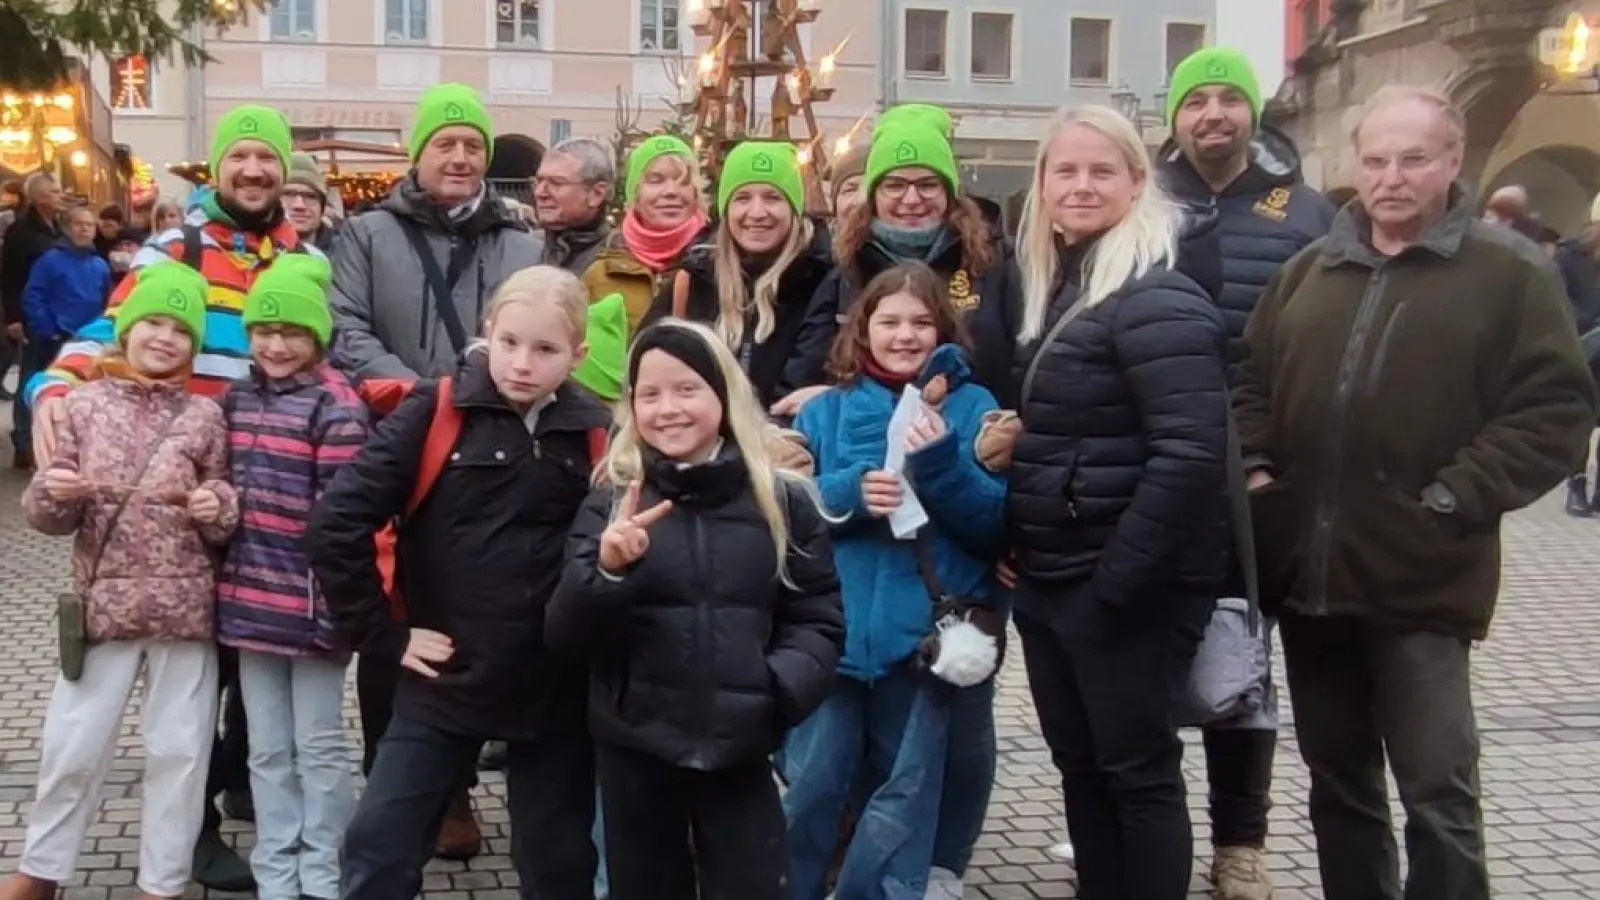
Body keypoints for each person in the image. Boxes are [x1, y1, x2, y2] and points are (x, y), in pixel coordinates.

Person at [1235, 85, 1596, 900]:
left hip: (1423, 577)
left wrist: (1454, 499)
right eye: (1375, 160)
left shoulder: (1507, 273)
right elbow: (1248, 382)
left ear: (1452, 162)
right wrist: (1261, 475)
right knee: (1340, 787)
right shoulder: (1307, 273)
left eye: (1413, 159)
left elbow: (1554, 410)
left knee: (1438, 795)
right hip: (1312, 581)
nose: (1391, 177)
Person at [27, 103, 322, 894]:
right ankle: (191, 840)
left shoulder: (303, 251)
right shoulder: (179, 244)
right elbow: (117, 326)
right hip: (181, 482)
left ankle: (227, 797)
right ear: (218, 168)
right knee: (188, 689)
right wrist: (53, 385)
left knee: (230, 670)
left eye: (268, 158)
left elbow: (329, 347)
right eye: (242, 157)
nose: (255, 171)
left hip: (262, 483)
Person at [311, 265, 608, 900]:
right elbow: (337, 523)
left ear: (577, 355)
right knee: (380, 846)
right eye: (510, 343)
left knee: (558, 863)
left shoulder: (594, 430)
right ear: (488, 331)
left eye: (546, 350)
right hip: (444, 676)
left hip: (551, 684)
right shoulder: (437, 408)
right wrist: (384, 636)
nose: (523, 364)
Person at [996, 103, 1230, 900]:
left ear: (1138, 182)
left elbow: (1191, 454)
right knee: (1083, 767)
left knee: (1136, 775)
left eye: (1102, 171)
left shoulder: (1155, 292)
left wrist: (1116, 582)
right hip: (1060, 576)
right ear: (1043, 185)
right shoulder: (1066, 285)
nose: (1082, 185)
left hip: (1123, 586)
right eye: (1066, 170)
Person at [547, 319, 844, 900]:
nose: (668, 409)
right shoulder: (613, 498)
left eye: (686, 389)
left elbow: (818, 617)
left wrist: (774, 688)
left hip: (741, 743)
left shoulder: (781, 499)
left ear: (723, 394)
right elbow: (565, 636)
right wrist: (608, 570)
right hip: (637, 747)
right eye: (649, 394)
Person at [328, 82, 542, 855]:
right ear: (416, 154)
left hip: (491, 453)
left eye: (473, 145)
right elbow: (345, 325)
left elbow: (540, 331)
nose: (460, 156)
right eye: (445, 143)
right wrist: (426, 399)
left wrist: (478, 406)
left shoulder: (522, 242)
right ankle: (396, 782)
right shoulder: (366, 233)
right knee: (399, 612)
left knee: (476, 609)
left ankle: (456, 788)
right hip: (397, 441)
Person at [1157, 46, 1337, 899]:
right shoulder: (1144, 201)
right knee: (1139, 654)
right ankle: (1140, 825)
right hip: (1153, 459)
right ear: (1176, 116)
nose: (1214, 115)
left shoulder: (1305, 212)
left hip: (1253, 470)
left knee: (1240, 662)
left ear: (1254, 114)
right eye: (1198, 101)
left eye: (1231, 99)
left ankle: (1242, 842)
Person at [0, 261, 239, 900]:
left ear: (194, 345)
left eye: (179, 329)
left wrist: (218, 506)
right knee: (71, 747)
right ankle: (42, 868)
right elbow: (47, 518)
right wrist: (53, 491)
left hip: (186, 612)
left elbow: (224, 497)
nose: (163, 337)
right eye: (152, 322)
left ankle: (161, 881)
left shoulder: (205, 417)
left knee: (180, 755)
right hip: (103, 608)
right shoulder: (80, 406)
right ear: (125, 330)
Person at [782, 261, 1006, 900]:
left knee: (903, 798)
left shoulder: (974, 407)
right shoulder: (827, 409)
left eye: (920, 322)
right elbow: (791, 512)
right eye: (889, 321)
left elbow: (993, 521)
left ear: (943, 329)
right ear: (863, 328)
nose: (904, 335)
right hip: (834, 636)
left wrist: (939, 466)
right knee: (812, 789)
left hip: (921, 643)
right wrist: (848, 494)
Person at [216, 254, 366, 900]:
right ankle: (277, 869)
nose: (276, 345)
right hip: (249, 606)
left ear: (317, 336)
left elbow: (345, 522)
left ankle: (323, 866)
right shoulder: (236, 399)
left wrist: (338, 605)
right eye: (264, 332)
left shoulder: (337, 407)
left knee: (321, 746)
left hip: (313, 611)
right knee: (267, 750)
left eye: (292, 333)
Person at [639, 141, 833, 408]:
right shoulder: (696, 279)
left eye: (772, 198)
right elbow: (645, 371)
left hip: (791, 442)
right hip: (705, 444)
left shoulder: (823, 280)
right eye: (742, 198)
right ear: (726, 208)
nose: (756, 213)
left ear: (794, 208)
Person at [582, 135, 711, 332]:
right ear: (635, 194)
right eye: (655, 180)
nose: (671, 191)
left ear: (695, 193)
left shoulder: (719, 265)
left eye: (683, 181)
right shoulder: (601, 274)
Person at [17, 206, 113, 470]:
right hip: (53, 338)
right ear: (67, 228)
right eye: (78, 224)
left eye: (89, 225)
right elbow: (33, 295)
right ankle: (28, 445)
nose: (84, 229)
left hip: (87, 343)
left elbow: (108, 303)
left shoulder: (100, 265)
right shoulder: (50, 260)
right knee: (38, 389)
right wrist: (48, 328)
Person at [2, 173, 65, 446]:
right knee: (29, 378)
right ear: (39, 198)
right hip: (31, 317)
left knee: (53, 379)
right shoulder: (22, 231)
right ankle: (23, 440)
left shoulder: (58, 228)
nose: (60, 195)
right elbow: (10, 277)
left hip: (58, 316)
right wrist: (14, 318)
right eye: (55, 191)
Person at [535, 137, 616, 277]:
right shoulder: (522, 250)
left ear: (597, 194)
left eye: (556, 183)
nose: (540, 193)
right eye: (539, 181)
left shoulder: (617, 259)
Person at [283, 153, 339, 251]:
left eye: (310, 196)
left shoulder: (347, 251)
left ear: (322, 207)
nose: (299, 205)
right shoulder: (250, 252)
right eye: (289, 194)